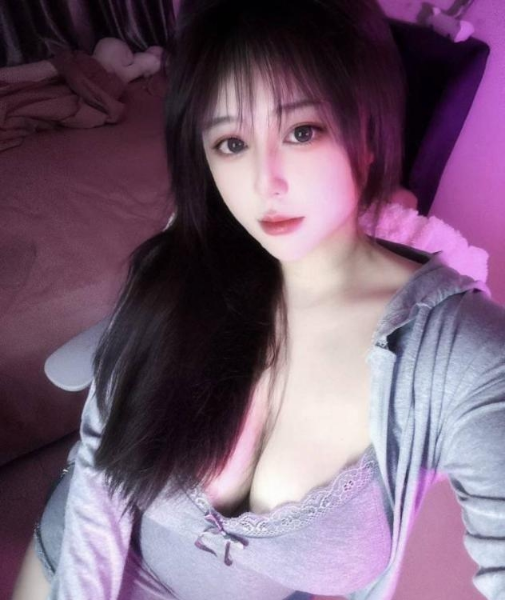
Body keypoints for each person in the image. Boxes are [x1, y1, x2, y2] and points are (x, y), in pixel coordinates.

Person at [12, 0, 505, 598]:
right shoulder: (182, 266)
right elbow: (100, 463)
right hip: (76, 562)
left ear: (369, 136)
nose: (264, 182)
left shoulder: (464, 357)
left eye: (302, 131)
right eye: (231, 142)